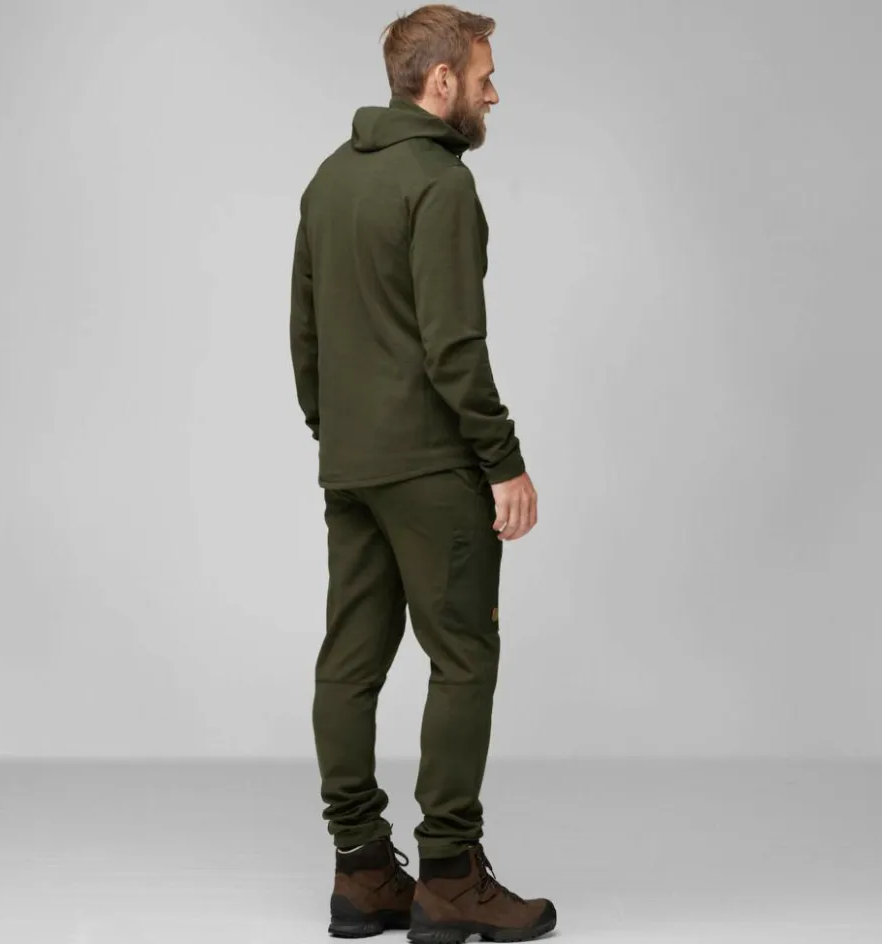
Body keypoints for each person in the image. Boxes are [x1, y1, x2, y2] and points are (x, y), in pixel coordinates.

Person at [289, 5, 556, 942]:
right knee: (464, 657)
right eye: (484, 77)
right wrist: (504, 462)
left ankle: (361, 871)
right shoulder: (440, 184)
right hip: (435, 467)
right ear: (441, 82)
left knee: (350, 660)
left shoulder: (330, 179)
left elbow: (305, 336)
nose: (494, 94)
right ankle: (449, 877)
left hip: (352, 464)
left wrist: (339, 435)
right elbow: (454, 348)